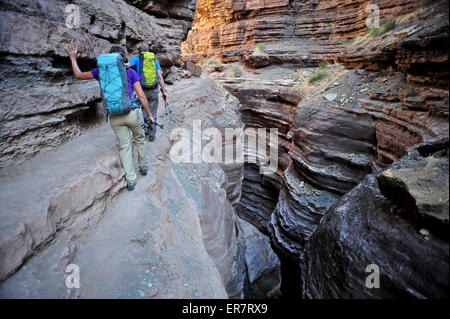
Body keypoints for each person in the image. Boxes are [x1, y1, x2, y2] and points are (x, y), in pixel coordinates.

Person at [65, 43, 155, 191]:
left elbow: (79, 75)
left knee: (125, 146)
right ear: (123, 58)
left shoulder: (101, 71)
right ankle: (143, 167)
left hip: (114, 116)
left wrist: (73, 58)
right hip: (132, 114)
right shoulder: (130, 72)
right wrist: (150, 115)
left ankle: (131, 180)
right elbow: (142, 96)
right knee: (139, 139)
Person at [127, 45, 168, 141]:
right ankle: (152, 134)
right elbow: (160, 76)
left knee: (144, 110)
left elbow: (127, 65)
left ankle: (145, 129)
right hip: (154, 90)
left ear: (139, 52)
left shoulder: (136, 59)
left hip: (142, 89)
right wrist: (163, 91)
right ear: (148, 52)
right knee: (153, 111)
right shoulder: (154, 60)